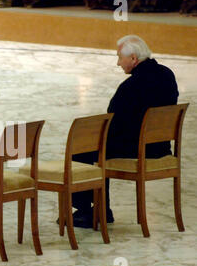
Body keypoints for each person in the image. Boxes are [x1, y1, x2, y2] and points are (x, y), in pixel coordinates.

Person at [68, 34, 179, 228]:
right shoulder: (167, 75)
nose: (118, 63)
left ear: (134, 59)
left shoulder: (131, 86)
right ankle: (100, 209)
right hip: (160, 147)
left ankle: (90, 211)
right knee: (96, 145)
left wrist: (95, 137)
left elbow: (113, 120)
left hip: (139, 150)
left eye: (120, 57)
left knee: (81, 148)